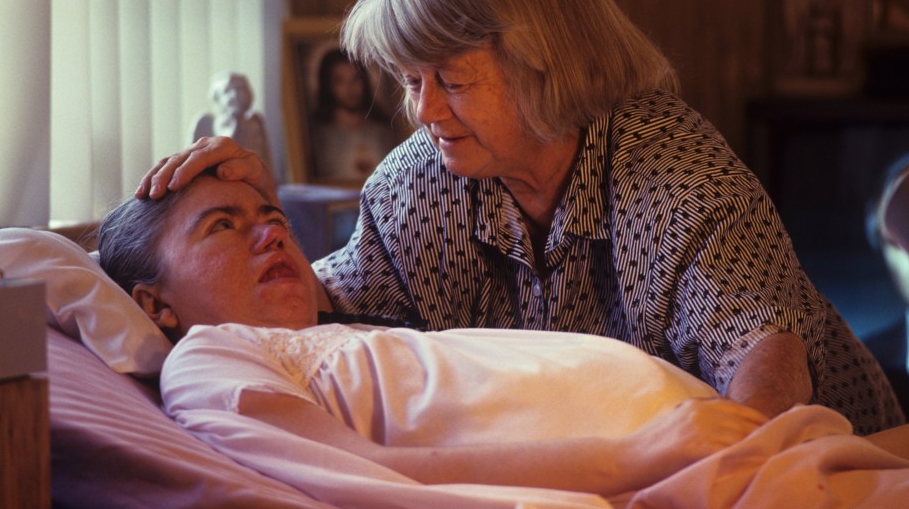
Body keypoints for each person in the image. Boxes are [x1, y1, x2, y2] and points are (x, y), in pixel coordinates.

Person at [138, 0, 904, 435]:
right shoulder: (420, 181)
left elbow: (768, 384)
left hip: (862, 446)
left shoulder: (669, 171)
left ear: (542, 60)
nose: (424, 110)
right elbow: (325, 310)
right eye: (410, 79)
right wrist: (251, 208)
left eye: (452, 79)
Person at [100, 171, 772, 496]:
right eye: (222, 224)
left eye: (272, 213)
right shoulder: (209, 355)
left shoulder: (355, 328)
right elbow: (375, 477)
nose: (271, 230)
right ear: (155, 304)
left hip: (715, 445)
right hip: (672, 469)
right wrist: (636, 453)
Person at [309, 48, 398, 182]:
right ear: (327, 85)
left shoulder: (385, 130)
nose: (350, 88)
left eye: (355, 79)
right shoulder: (318, 136)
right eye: (339, 81)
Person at [192, 71, 272, 167]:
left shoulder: (256, 123)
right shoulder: (206, 123)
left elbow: (267, 162)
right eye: (227, 91)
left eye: (240, 89)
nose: (234, 95)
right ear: (217, 98)